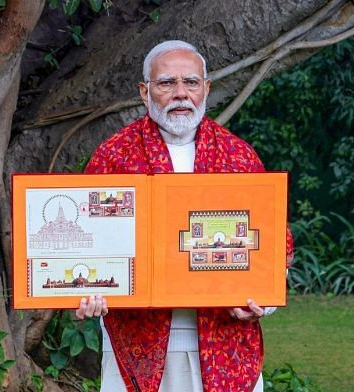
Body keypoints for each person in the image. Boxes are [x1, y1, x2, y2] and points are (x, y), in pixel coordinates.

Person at [77, 40, 294, 392]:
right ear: (145, 92)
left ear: (206, 89)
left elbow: (273, 246)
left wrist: (261, 302)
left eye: (191, 82)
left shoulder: (238, 157)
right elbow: (88, 244)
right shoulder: (113, 156)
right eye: (166, 83)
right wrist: (88, 290)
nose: (180, 93)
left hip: (223, 337)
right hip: (134, 340)